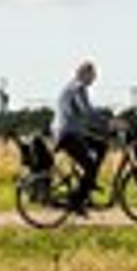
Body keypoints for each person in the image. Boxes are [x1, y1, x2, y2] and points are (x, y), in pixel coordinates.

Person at [51, 59, 107, 209]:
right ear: (85, 74)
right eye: (93, 75)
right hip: (68, 134)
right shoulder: (78, 88)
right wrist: (108, 123)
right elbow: (86, 112)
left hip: (71, 132)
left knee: (101, 145)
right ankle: (76, 200)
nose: (94, 79)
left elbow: (82, 114)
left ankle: (89, 183)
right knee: (89, 165)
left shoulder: (72, 86)